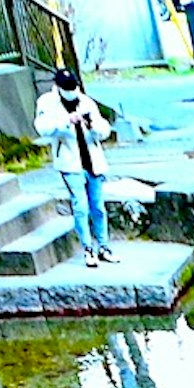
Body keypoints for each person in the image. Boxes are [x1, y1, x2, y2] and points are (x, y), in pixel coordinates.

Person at [39, 67, 115, 265]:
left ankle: (104, 246)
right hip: (70, 162)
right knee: (80, 206)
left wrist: (92, 124)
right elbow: (43, 128)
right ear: (58, 87)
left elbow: (104, 129)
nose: (71, 90)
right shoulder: (47, 102)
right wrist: (66, 121)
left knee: (98, 206)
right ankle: (88, 249)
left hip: (93, 161)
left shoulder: (86, 102)